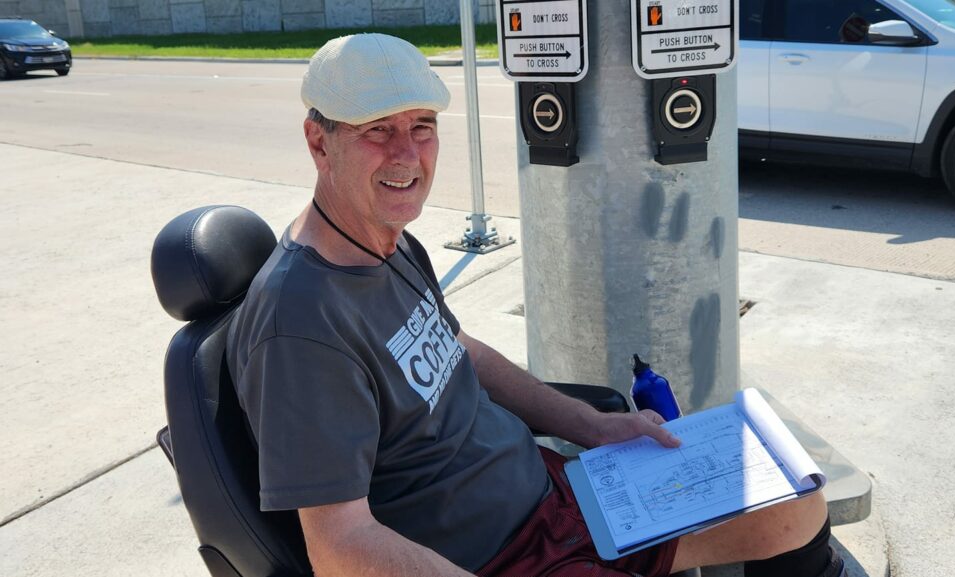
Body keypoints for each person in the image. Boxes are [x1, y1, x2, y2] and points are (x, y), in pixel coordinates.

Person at [227, 33, 846, 577]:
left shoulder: (388, 241)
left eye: (422, 127)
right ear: (318, 141)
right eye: (376, 130)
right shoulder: (299, 325)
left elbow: (459, 352)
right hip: (498, 558)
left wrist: (594, 427)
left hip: (558, 495)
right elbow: (340, 546)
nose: (407, 155)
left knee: (791, 504)